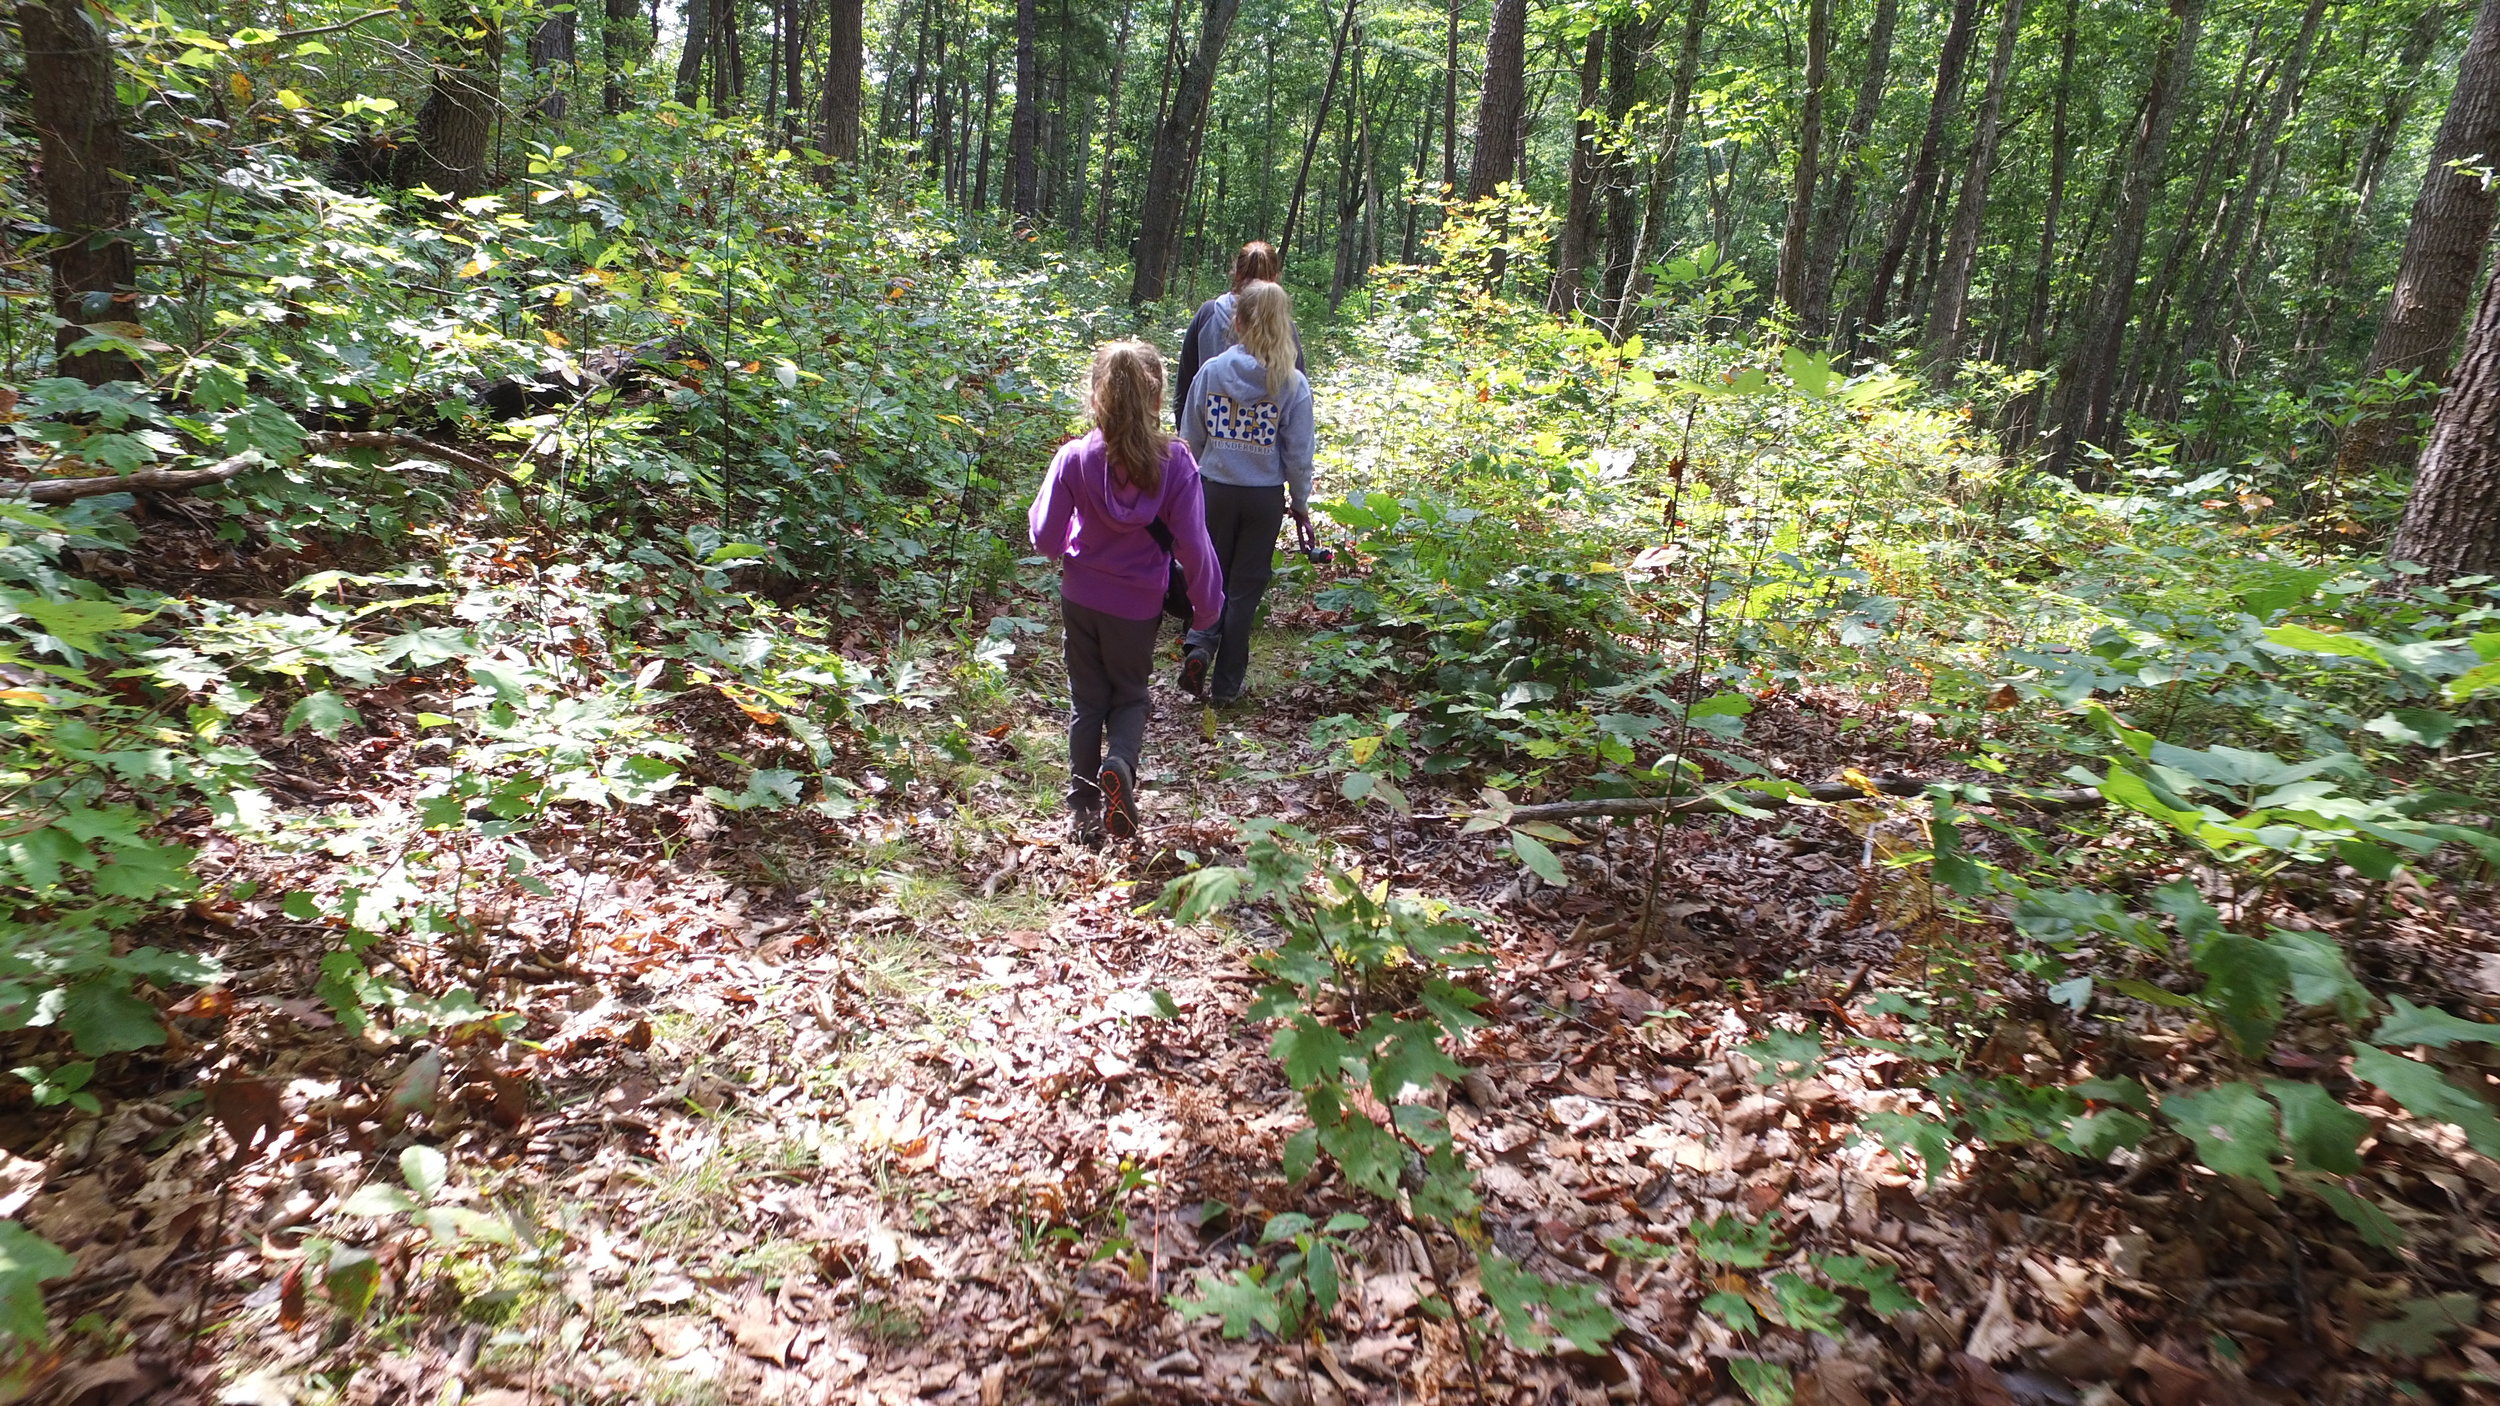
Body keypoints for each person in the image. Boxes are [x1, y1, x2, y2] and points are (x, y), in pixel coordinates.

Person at [1029, 341, 1225, 845]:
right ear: (1156, 397)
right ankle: (1119, 763)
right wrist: (1207, 609)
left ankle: (1083, 807)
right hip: (1138, 607)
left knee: (1086, 701)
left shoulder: (1073, 457)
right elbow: (1196, 546)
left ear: (1097, 397)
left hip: (1081, 597)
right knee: (1131, 697)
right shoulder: (1176, 462)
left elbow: (1046, 541)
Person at [1178, 280, 1314, 708]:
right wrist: (1301, 502)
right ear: (1284, 327)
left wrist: (1183, 491)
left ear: (1236, 322)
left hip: (1214, 489)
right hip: (1262, 498)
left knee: (1209, 575)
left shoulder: (1213, 370)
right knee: (1245, 588)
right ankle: (1225, 686)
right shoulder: (1291, 383)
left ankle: (1199, 643)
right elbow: (1298, 453)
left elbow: (1189, 438)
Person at [1174, 241, 1307, 428]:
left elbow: (1184, 390)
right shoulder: (1284, 328)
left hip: (1209, 450)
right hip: (1266, 450)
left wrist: (1187, 449)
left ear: (1236, 273)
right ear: (1275, 279)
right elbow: (1299, 402)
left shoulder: (1208, 315)